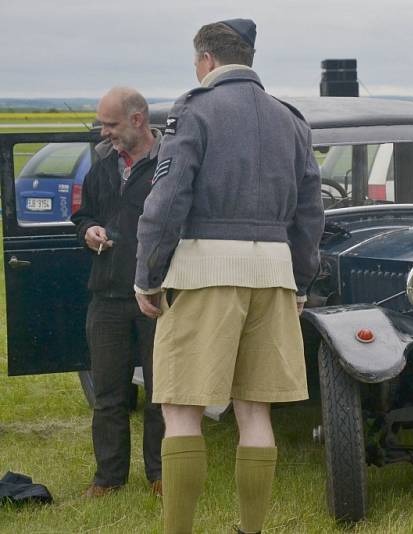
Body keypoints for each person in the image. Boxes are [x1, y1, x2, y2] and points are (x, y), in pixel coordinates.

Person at [134, 19, 324, 534]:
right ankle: (252, 530)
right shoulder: (291, 120)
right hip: (275, 276)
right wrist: (301, 284)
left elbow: (167, 201)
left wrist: (148, 276)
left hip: (203, 273)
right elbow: (310, 214)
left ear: (205, 61)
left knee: (181, 410)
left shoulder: (195, 110)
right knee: (255, 413)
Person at [71, 87, 165, 497]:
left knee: (163, 393)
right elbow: (84, 214)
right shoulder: (102, 166)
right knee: (109, 394)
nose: (103, 132)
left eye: (110, 124)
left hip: (158, 298)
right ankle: (108, 479)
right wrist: (87, 231)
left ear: (137, 120)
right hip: (107, 297)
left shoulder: (170, 164)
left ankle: (161, 476)